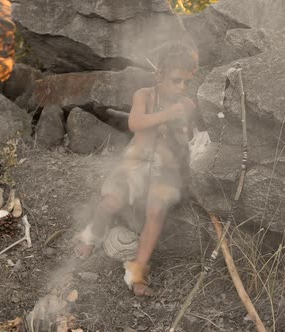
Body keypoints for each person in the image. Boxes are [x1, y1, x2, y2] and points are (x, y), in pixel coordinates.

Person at [74, 42, 198, 297]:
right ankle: (92, 236)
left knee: (155, 211)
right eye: (176, 81)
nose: (181, 88)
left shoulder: (187, 105)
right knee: (110, 202)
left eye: (186, 82)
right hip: (136, 161)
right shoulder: (145, 95)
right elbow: (135, 123)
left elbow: (185, 142)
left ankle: (137, 271)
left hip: (166, 166)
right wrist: (166, 115)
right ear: (160, 75)